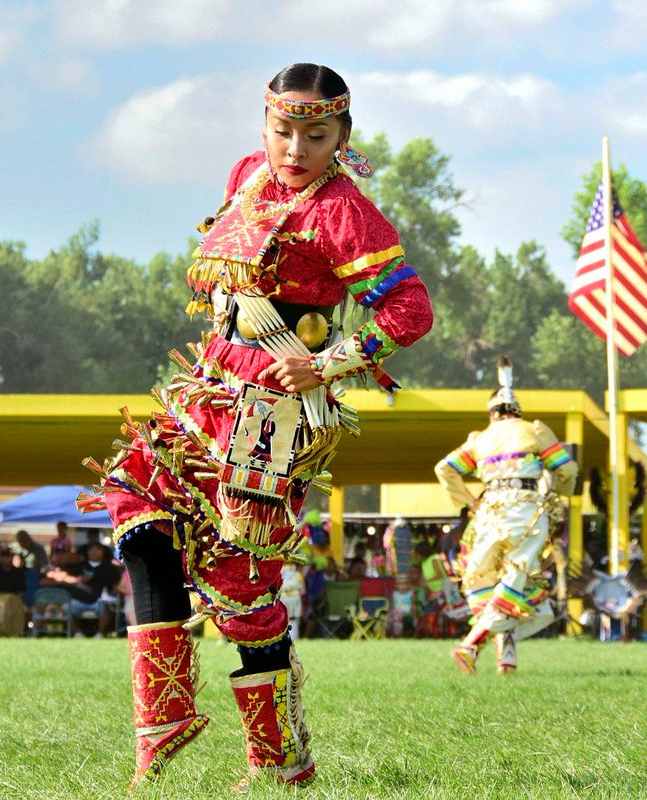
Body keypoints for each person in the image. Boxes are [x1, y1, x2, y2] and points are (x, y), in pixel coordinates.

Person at [81, 63, 431, 789]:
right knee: (138, 507)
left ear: (341, 137)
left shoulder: (345, 211)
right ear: (263, 126)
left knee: (243, 586)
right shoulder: (246, 176)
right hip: (206, 387)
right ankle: (164, 718)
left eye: (315, 135)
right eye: (283, 131)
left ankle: (281, 765)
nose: (295, 149)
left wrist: (334, 362)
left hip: (273, 413)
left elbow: (409, 310)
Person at [435, 357, 579, 675]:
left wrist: (469, 502)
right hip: (527, 509)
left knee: (480, 579)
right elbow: (567, 468)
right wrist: (559, 493)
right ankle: (473, 643)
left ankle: (505, 659)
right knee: (515, 577)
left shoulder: (479, 439)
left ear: (492, 413)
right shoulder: (535, 430)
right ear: (517, 412)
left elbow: (444, 469)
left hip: (488, 512)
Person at [43, 542, 121, 637]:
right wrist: (78, 579)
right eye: (92, 549)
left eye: (97, 549)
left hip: (99, 600)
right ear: (87, 552)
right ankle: (78, 633)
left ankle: (99, 634)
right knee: (64, 609)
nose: (94, 552)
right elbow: (65, 576)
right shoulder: (78, 566)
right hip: (78, 600)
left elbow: (116, 584)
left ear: (103, 552)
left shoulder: (109, 568)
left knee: (106, 610)